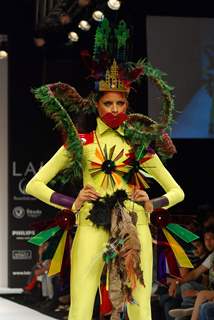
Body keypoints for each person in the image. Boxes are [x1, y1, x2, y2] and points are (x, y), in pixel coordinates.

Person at [25, 71, 185, 320]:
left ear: (127, 105)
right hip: (91, 226)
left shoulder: (138, 146)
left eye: (120, 103)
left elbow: (178, 191)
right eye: (108, 103)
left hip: (134, 226)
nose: (114, 109)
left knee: (140, 306)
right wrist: (72, 202)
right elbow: (35, 185)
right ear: (96, 105)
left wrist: (153, 203)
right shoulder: (81, 142)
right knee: (81, 305)